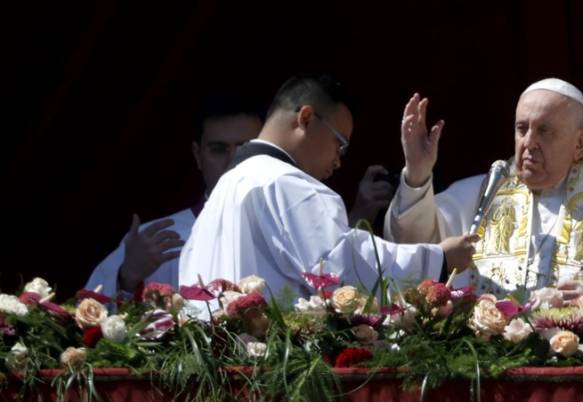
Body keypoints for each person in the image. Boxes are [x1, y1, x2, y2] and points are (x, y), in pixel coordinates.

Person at [178, 75, 476, 304]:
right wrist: (437, 259)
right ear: (305, 118)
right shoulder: (287, 184)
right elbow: (340, 269)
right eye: (340, 143)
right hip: (272, 374)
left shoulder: (220, 195)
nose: (338, 161)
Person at [384, 78, 583, 296]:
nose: (528, 143)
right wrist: (418, 174)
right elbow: (410, 254)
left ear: (580, 143)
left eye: (545, 131)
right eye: (522, 128)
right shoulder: (474, 197)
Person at [85, 91, 263, 295]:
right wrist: (126, 277)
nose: (233, 162)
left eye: (245, 149)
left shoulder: (287, 233)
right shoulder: (154, 242)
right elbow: (89, 313)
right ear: (198, 155)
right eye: (218, 149)